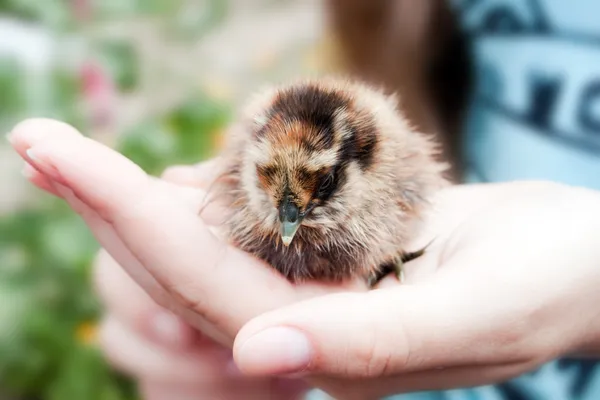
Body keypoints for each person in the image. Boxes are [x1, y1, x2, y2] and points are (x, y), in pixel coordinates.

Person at [7, 118, 600, 400]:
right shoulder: (404, 22)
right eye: (269, 179)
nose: (288, 213)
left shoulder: (383, 174)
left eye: (315, 184)